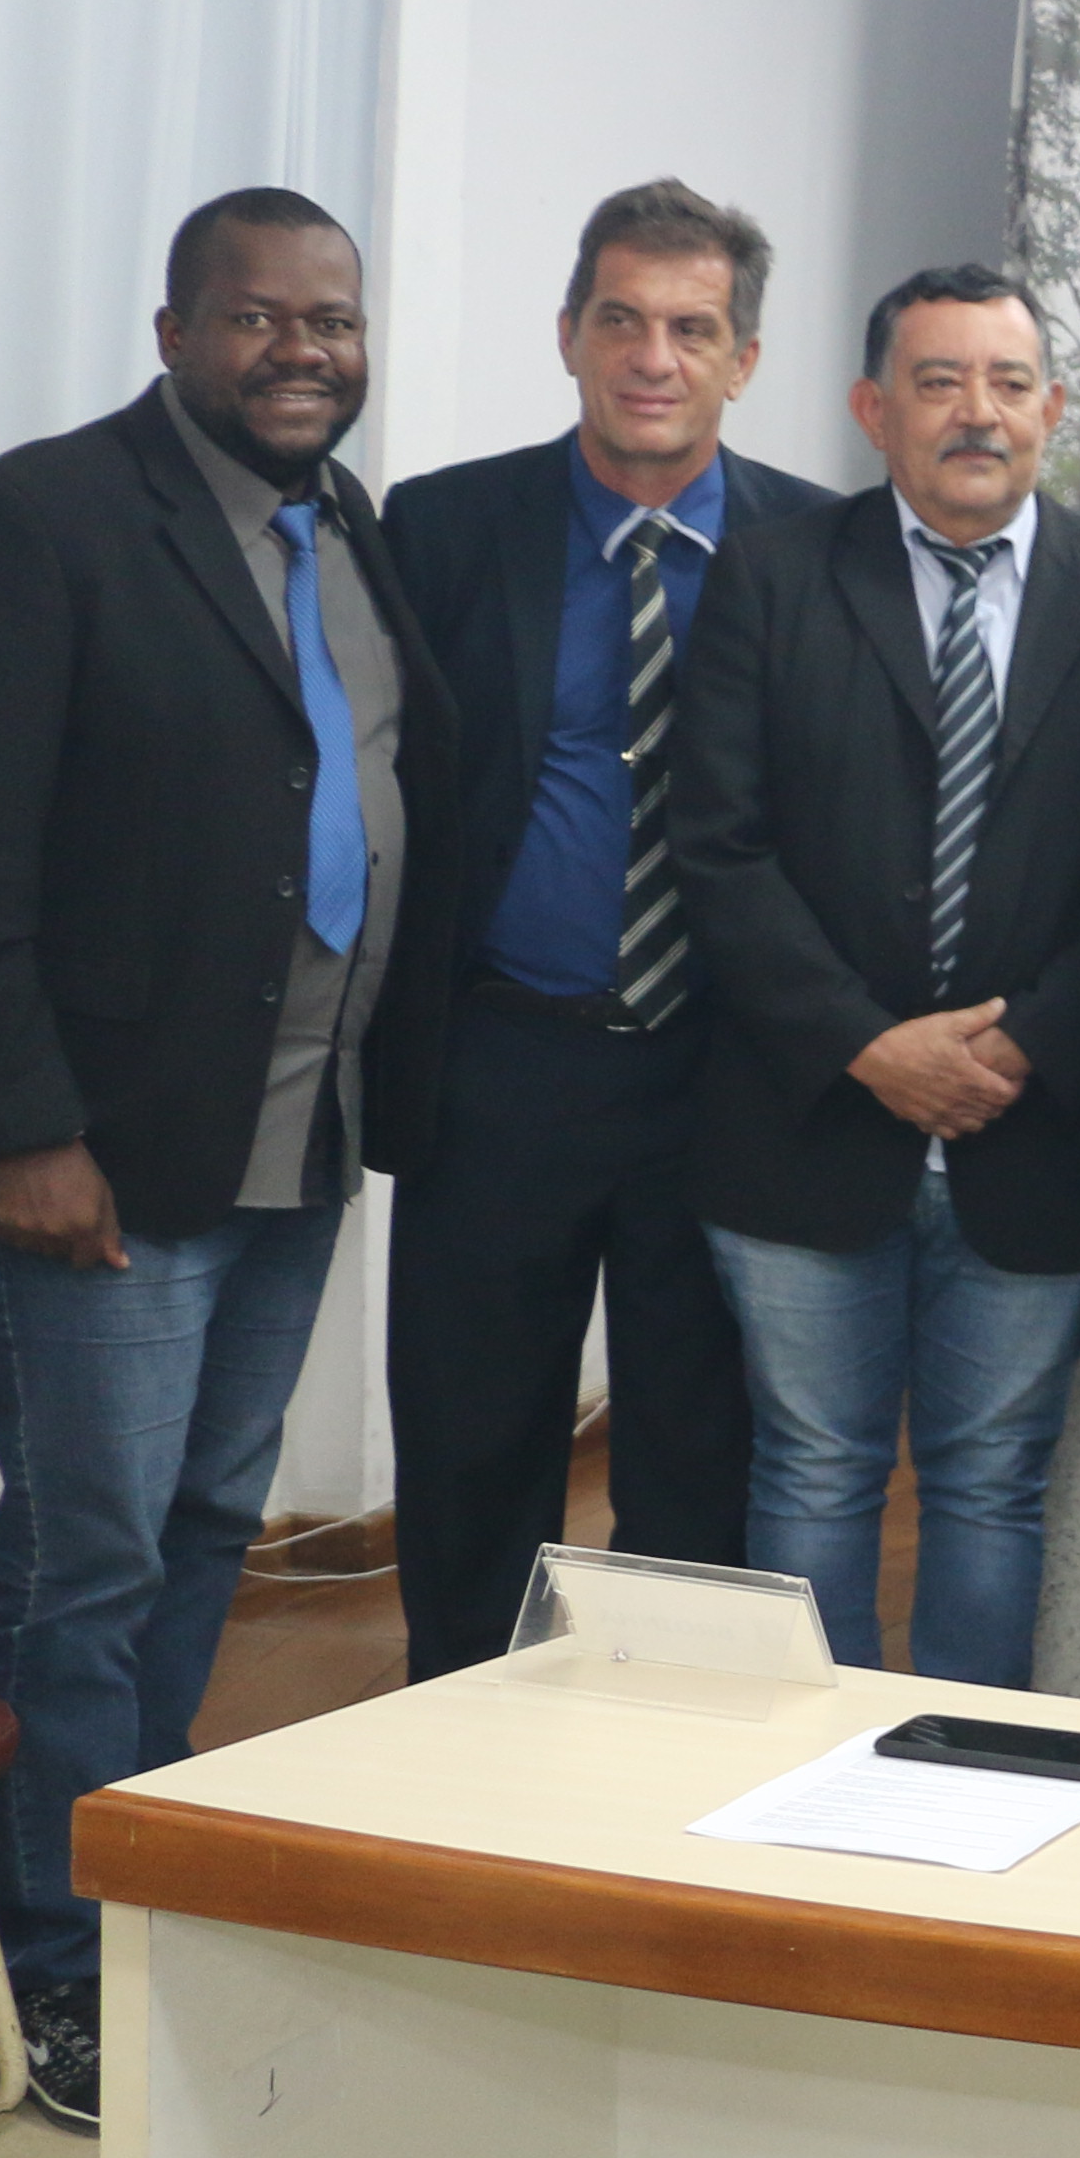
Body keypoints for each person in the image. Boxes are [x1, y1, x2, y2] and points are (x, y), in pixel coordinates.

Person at [0, 188, 457, 2124]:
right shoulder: (38, 522)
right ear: (174, 332)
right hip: (104, 1159)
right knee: (93, 1555)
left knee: (204, 1525)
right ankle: (61, 1961)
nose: (304, 349)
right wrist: (27, 1130)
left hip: (295, 1135)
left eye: (332, 318)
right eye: (258, 315)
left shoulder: (348, 528)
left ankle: (133, 1875)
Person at [377, 178, 837, 1678]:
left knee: (699, 1466)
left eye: (692, 329)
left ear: (743, 360)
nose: (654, 357)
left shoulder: (820, 548)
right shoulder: (444, 528)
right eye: (622, 320)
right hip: (503, 1061)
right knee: (472, 1450)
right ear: (568, 333)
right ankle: (451, 1758)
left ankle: (658, 1783)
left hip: (726, 1073)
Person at [668, 265, 1080, 1685]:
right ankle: (810, 1790)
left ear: (1052, 409)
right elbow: (719, 849)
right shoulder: (773, 577)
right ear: (874, 411)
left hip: (1036, 1126)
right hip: (807, 1119)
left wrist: (1030, 1043)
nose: (976, 413)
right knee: (814, 1471)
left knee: (993, 1482)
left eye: (1008, 384)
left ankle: (963, 1777)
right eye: (938, 383)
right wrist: (870, 1046)